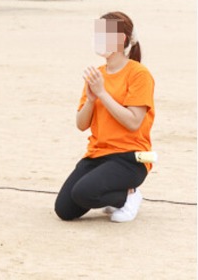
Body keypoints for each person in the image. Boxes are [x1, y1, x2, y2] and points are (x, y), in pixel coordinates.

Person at [55, 11, 154, 223]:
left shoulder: (139, 74)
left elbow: (133, 121)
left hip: (129, 157)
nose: (97, 40)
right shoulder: (97, 74)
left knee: (84, 192)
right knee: (64, 209)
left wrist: (102, 93)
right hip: (97, 154)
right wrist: (91, 99)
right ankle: (110, 194)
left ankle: (129, 196)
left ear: (121, 39)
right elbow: (81, 125)